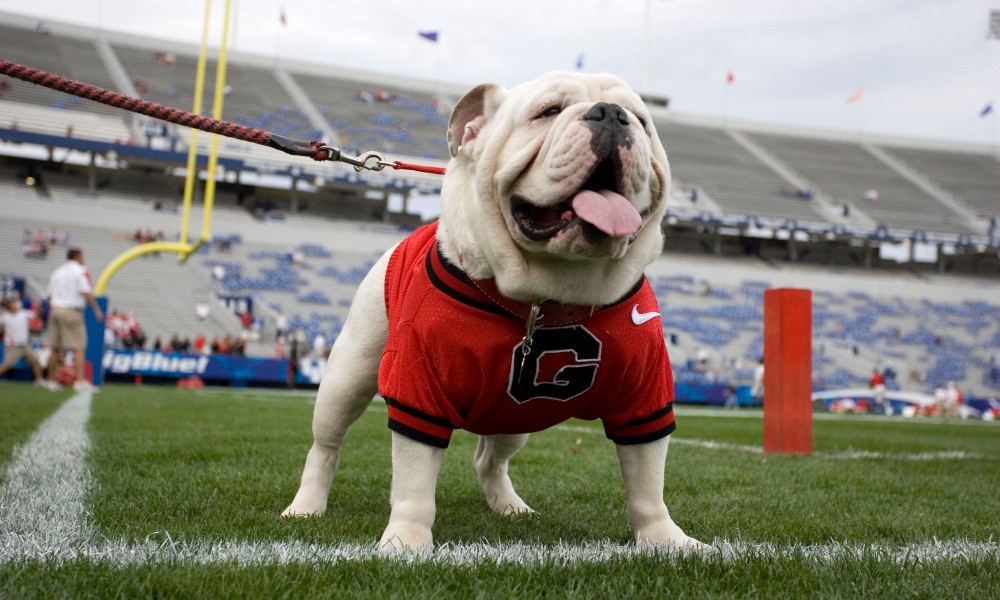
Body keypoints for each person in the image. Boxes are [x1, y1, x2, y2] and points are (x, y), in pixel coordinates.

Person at [45, 248, 104, 391]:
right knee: (79, 347)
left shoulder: (57, 271)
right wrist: (96, 309)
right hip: (71, 311)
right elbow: (86, 291)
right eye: (82, 256)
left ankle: (51, 381)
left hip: (55, 309)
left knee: (55, 348)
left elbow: (48, 296)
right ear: (77, 257)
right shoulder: (80, 271)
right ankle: (79, 381)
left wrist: (53, 309)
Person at [0, 297, 56, 388]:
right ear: (9, 306)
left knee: (36, 361)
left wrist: (39, 308)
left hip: (25, 346)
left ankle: (38, 380)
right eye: (13, 304)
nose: (16, 305)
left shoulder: (23, 313)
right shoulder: (5, 317)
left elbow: (36, 314)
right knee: (6, 365)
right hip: (13, 347)